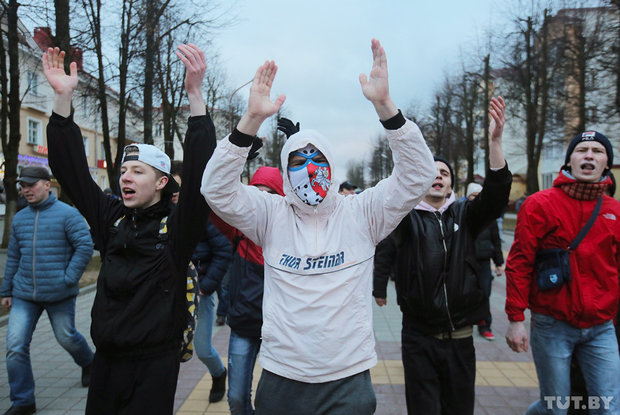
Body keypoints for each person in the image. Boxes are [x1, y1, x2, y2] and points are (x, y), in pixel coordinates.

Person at [201, 39, 436, 415]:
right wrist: (250, 121)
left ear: (332, 166)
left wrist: (386, 108)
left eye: (317, 158)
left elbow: (418, 175)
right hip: (281, 378)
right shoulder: (270, 216)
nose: (309, 169)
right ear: (285, 173)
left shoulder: (363, 213)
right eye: (297, 161)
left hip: (348, 381)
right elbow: (215, 190)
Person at [43, 43, 216, 415]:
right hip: (107, 359)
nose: (126, 177)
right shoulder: (111, 218)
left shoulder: (177, 227)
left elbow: (202, 176)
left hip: (154, 365)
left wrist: (195, 96)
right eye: (123, 171)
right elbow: (70, 170)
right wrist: (62, 100)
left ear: (161, 183)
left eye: (138, 171)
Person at [373, 96, 510, 415]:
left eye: (444, 173)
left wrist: (495, 142)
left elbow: (496, 195)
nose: (438, 176)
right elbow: (385, 250)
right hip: (418, 337)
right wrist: (379, 287)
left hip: (461, 337)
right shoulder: (404, 217)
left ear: (450, 185)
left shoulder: (466, 213)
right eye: (431, 172)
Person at [505, 130, 620, 415]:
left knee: (609, 408)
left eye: (597, 151)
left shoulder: (615, 211)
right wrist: (516, 319)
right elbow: (519, 263)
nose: (589, 155)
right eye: (582, 150)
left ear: (607, 163)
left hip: (601, 327)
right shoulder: (539, 204)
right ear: (569, 161)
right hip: (552, 325)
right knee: (555, 407)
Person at [0, 166, 94, 415]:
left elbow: (85, 246)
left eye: (31, 185)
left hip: (58, 292)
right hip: (24, 294)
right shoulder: (20, 218)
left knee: (66, 337)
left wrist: (68, 278)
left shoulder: (68, 214)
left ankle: (89, 362)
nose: (26, 190)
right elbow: (13, 256)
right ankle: (23, 401)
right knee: (15, 346)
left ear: (46, 185)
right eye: (23, 186)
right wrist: (6, 290)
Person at [209, 166, 284, 415]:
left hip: (281, 331)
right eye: (256, 192)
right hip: (244, 324)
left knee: (276, 403)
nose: (263, 199)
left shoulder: (291, 235)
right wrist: (233, 164)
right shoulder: (239, 230)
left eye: (270, 193)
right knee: (237, 398)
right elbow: (215, 199)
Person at [170, 161, 231, 403]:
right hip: (167, 296)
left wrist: (205, 287)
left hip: (200, 294)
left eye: (178, 188)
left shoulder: (201, 217)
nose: (173, 193)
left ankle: (219, 373)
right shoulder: (159, 216)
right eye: (170, 187)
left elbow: (224, 251)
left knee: (203, 349)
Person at [465, 182, 504, 341]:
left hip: (484, 262)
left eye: (479, 196)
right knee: (465, 293)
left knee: (485, 293)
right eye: (473, 195)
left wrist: (499, 262)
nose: (476, 199)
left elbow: (496, 240)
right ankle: (464, 322)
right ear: (468, 197)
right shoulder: (461, 213)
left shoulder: (490, 217)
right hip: (465, 262)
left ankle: (484, 325)